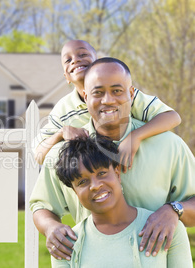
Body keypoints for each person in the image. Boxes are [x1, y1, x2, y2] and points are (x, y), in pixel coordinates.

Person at [30, 57, 195, 262]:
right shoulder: (63, 154)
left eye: (117, 91)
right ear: (85, 95)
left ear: (131, 93)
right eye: (98, 92)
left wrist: (174, 210)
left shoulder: (169, 146)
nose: (108, 100)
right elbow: (41, 205)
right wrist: (50, 227)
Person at [34, 40, 181, 172]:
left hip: (137, 167)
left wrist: (135, 136)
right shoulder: (63, 109)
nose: (75, 60)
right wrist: (61, 133)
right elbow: (38, 155)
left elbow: (172, 117)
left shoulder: (124, 95)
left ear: (98, 63)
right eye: (68, 60)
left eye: (82, 54)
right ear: (66, 77)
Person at [51, 135, 192, 267]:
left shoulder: (167, 228)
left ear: (117, 173)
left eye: (101, 173)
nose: (95, 186)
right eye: (82, 181)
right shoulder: (65, 244)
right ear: (75, 191)